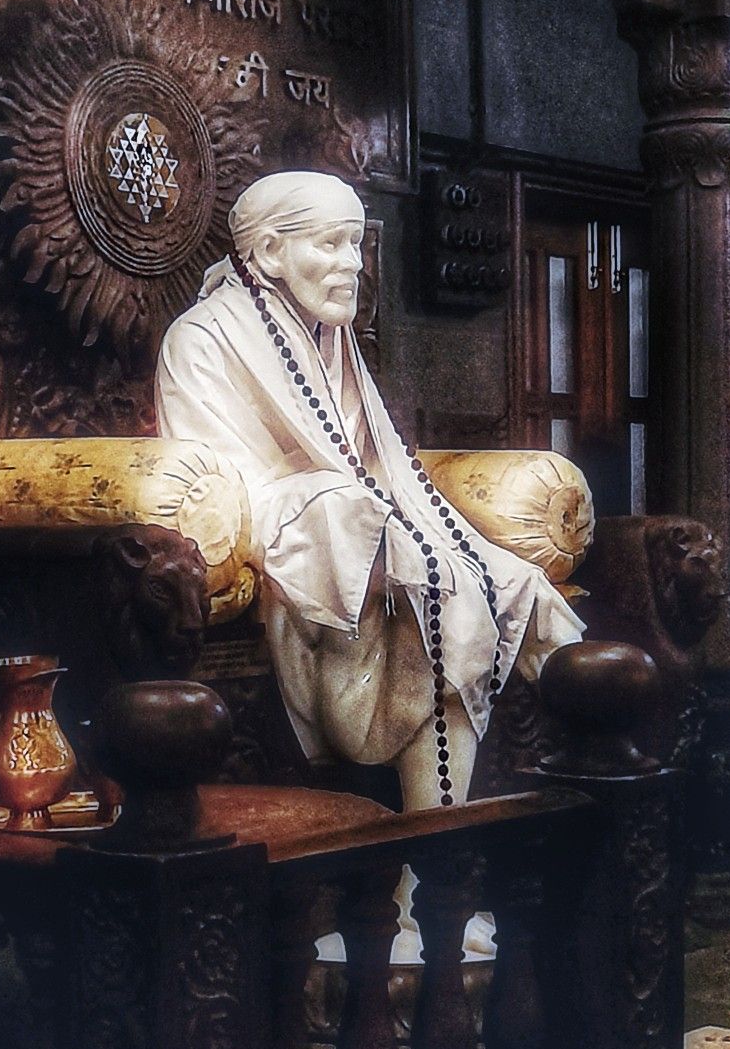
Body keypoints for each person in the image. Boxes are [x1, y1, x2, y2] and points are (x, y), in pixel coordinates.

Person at [155, 170, 583, 812]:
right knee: (377, 534)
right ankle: (425, 864)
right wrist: (350, 509)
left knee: (483, 580)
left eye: (355, 245)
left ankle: (437, 866)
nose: (350, 265)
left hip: (357, 520)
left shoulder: (331, 336)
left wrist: (386, 515)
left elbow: (375, 464)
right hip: (276, 521)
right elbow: (223, 481)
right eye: (329, 245)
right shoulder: (200, 338)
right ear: (270, 252)